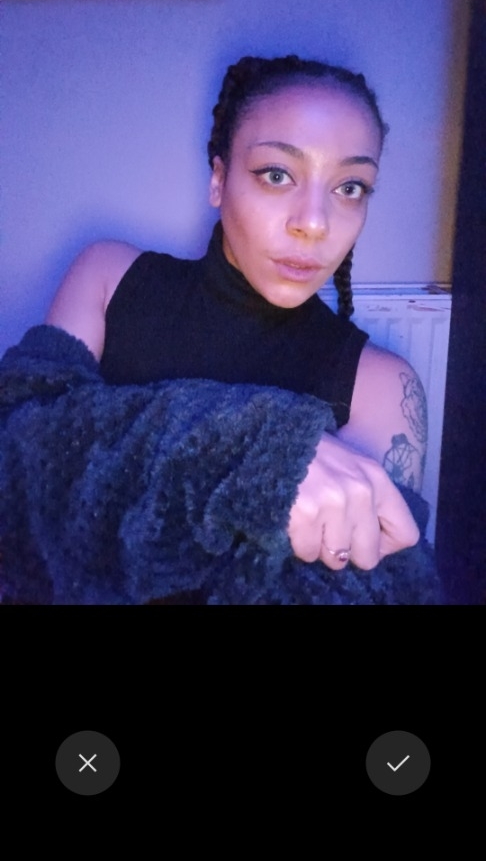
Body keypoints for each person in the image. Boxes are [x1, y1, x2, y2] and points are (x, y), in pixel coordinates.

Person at [43, 55, 425, 576]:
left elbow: (370, 583)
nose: (314, 223)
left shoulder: (381, 386)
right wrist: (254, 452)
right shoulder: (109, 278)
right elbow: (29, 456)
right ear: (219, 180)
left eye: (350, 187)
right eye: (277, 175)